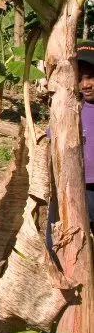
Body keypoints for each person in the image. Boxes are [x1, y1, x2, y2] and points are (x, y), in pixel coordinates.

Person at [76, 41, 94, 229]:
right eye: (80, 78)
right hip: (76, 184)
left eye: (91, 77)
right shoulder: (69, 109)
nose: (85, 84)